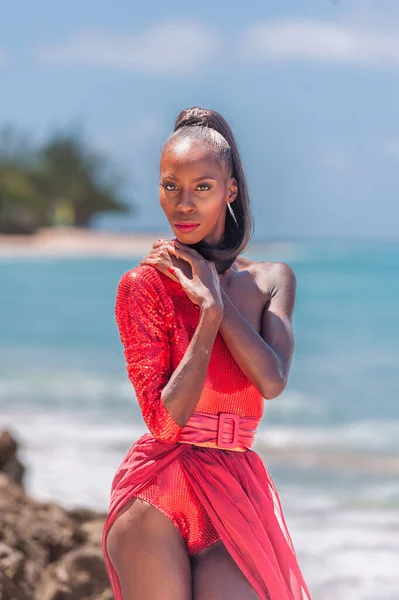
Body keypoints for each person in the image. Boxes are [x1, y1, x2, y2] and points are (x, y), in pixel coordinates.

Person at [102, 106, 312, 600]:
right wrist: (206, 321)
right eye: (170, 186)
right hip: (156, 490)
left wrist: (215, 300)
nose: (183, 203)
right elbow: (165, 421)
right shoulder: (143, 286)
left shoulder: (271, 280)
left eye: (202, 186)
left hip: (236, 490)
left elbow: (272, 381)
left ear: (230, 190)